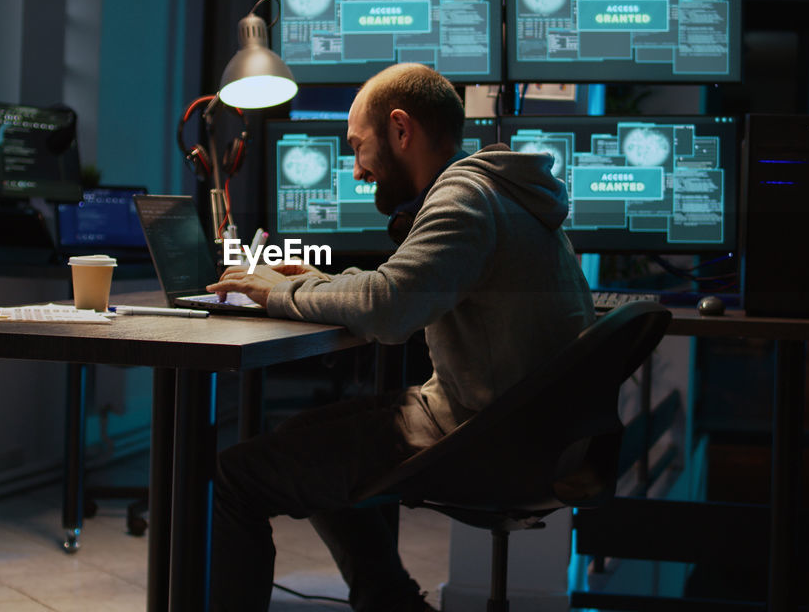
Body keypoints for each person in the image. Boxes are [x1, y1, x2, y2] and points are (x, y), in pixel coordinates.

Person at [205, 63, 594, 612]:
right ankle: (390, 603)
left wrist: (273, 293)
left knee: (235, 476)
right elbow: (402, 284)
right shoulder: (498, 191)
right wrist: (314, 281)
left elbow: (388, 309)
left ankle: (386, 599)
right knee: (308, 440)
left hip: (489, 437)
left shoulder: (463, 199)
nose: (357, 168)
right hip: (524, 427)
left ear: (400, 130)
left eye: (359, 146)